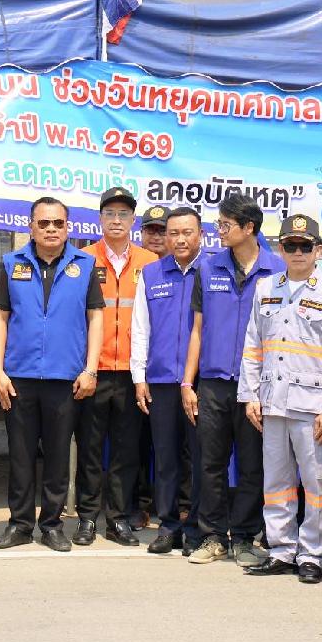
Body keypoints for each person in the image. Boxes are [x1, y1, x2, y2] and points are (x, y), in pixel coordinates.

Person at [239, 214, 322, 584]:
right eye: (291, 245)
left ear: (318, 250)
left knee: (316, 485)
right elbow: (253, 346)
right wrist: (249, 396)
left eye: (306, 246)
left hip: (313, 406)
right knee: (276, 482)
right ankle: (281, 551)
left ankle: (312, 555)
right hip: (272, 401)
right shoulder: (266, 288)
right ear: (281, 249)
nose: (298, 252)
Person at [0, 197, 103, 552]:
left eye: (58, 223)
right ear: (31, 227)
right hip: (19, 377)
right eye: (44, 223)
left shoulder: (85, 264)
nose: (51, 229)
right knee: (20, 456)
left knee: (57, 456)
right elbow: (0, 317)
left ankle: (52, 526)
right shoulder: (12, 263)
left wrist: (91, 369)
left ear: (68, 228)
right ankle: (20, 524)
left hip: (65, 377)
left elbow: (95, 317)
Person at [182, 193, 285, 566]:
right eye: (219, 223)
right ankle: (212, 536)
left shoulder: (277, 271)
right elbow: (197, 330)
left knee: (253, 464)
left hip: (257, 386)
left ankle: (244, 536)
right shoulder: (208, 268)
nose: (219, 231)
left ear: (249, 228)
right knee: (210, 462)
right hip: (213, 383)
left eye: (225, 225)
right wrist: (187, 383)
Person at [77, 187, 159, 546]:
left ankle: (118, 519)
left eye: (123, 214)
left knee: (126, 452)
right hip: (92, 371)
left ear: (133, 221)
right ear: (100, 219)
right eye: (109, 213)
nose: (116, 220)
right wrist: (85, 367)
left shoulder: (150, 262)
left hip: (131, 373)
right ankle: (86, 518)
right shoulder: (82, 260)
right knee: (90, 449)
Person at [132, 207, 204, 555]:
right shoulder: (151, 273)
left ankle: (196, 528)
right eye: (173, 233)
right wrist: (139, 376)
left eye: (187, 232)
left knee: (200, 458)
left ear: (200, 235)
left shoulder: (213, 271)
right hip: (160, 379)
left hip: (201, 382)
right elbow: (140, 328)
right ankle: (168, 526)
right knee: (166, 458)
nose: (180, 239)